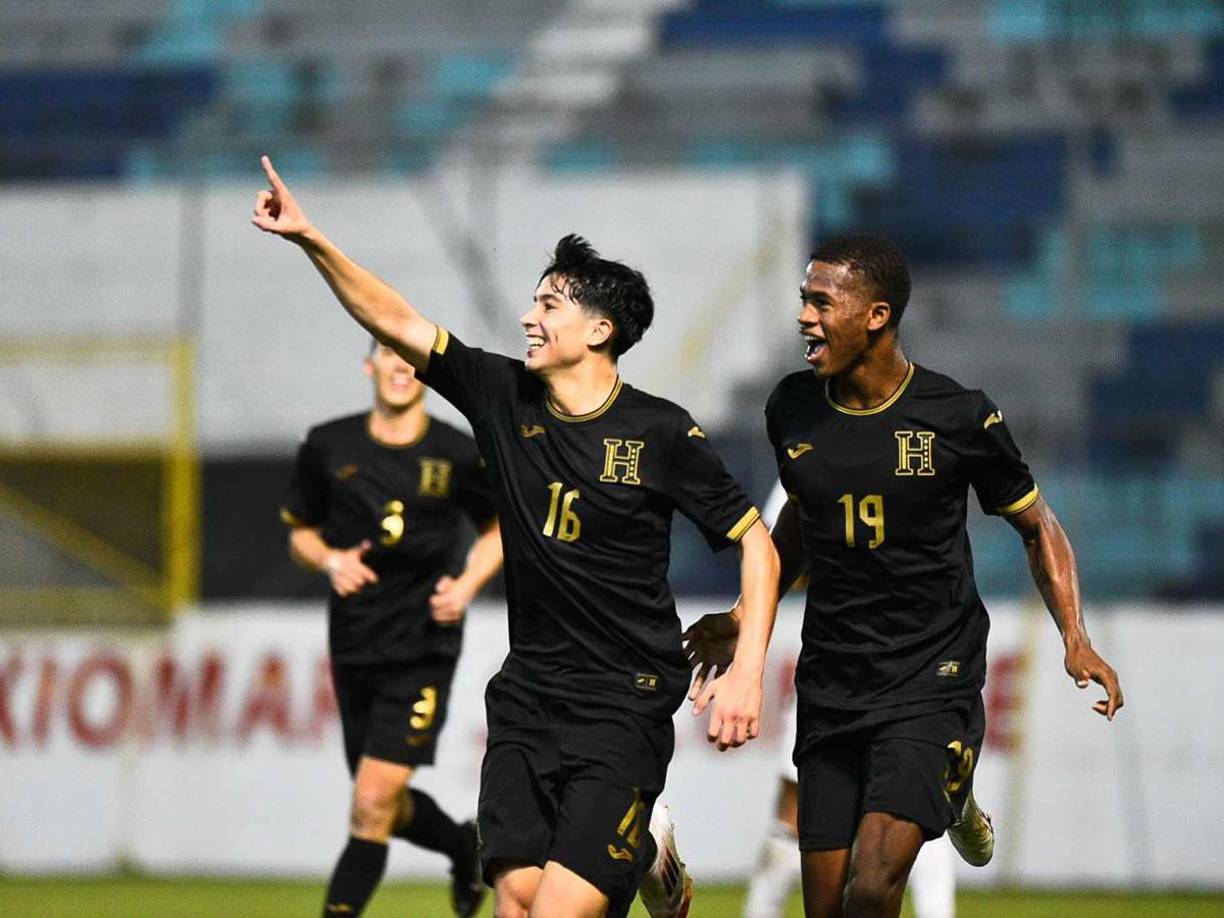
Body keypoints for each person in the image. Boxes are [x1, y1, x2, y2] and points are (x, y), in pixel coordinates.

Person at [253, 155, 781, 918]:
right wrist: (310, 238)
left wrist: (747, 666)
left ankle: (637, 843)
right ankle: (647, 850)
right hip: (528, 698)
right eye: (533, 302)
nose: (530, 318)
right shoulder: (502, 396)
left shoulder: (659, 431)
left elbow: (758, 544)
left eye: (550, 305)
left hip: (623, 702)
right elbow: (396, 320)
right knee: (518, 905)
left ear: (600, 330)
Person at [688, 234, 1123, 918]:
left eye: (821, 301)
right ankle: (952, 797)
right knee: (829, 909)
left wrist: (1075, 634)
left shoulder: (957, 416)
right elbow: (796, 531)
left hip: (931, 681)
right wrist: (746, 616)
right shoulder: (792, 409)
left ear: (876, 315)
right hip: (833, 682)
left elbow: (1039, 525)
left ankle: (948, 786)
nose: (804, 315)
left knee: (872, 890)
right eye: (803, 299)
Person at [282, 339, 503, 916]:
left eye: (412, 359)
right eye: (389, 354)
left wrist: (466, 584)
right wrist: (330, 559)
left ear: (426, 373)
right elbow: (301, 531)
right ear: (368, 364)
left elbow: (498, 527)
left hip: (424, 646)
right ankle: (463, 843)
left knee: (372, 800)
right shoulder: (329, 445)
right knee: (378, 803)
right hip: (354, 643)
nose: (402, 367)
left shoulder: (457, 452)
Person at [742, 485, 957, 918]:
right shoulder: (804, 455)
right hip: (833, 663)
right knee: (797, 811)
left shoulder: (910, 444)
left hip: (905, 661)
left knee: (908, 803)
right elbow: (774, 554)